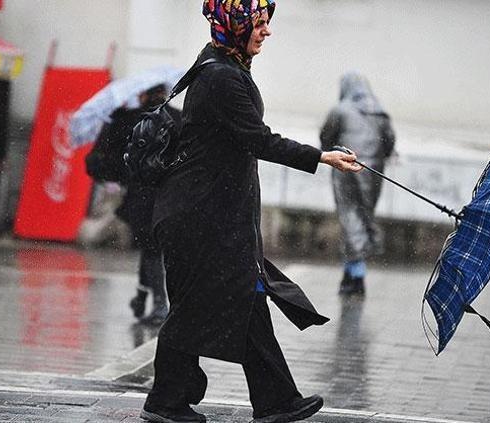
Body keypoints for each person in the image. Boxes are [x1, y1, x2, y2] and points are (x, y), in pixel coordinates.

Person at [140, 2, 362, 422]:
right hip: (199, 218)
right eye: (258, 23)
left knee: (244, 298)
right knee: (207, 304)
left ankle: (269, 400)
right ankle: (169, 401)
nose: (266, 31)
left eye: (265, 23)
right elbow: (259, 140)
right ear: (235, 26)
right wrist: (321, 157)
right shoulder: (222, 77)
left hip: (209, 215)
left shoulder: (222, 63)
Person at [86, 85, 179, 324]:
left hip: (142, 196)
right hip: (171, 196)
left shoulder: (132, 120)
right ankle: (144, 296)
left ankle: (159, 304)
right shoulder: (178, 119)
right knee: (153, 249)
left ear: (143, 94)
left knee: (150, 248)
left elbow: (112, 159)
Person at [319, 71, 395, 296]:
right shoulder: (380, 113)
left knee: (349, 217)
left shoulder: (340, 110)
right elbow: (389, 142)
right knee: (364, 215)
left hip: (346, 169)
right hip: (374, 171)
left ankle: (355, 274)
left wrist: (332, 154)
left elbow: (326, 138)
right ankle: (352, 270)